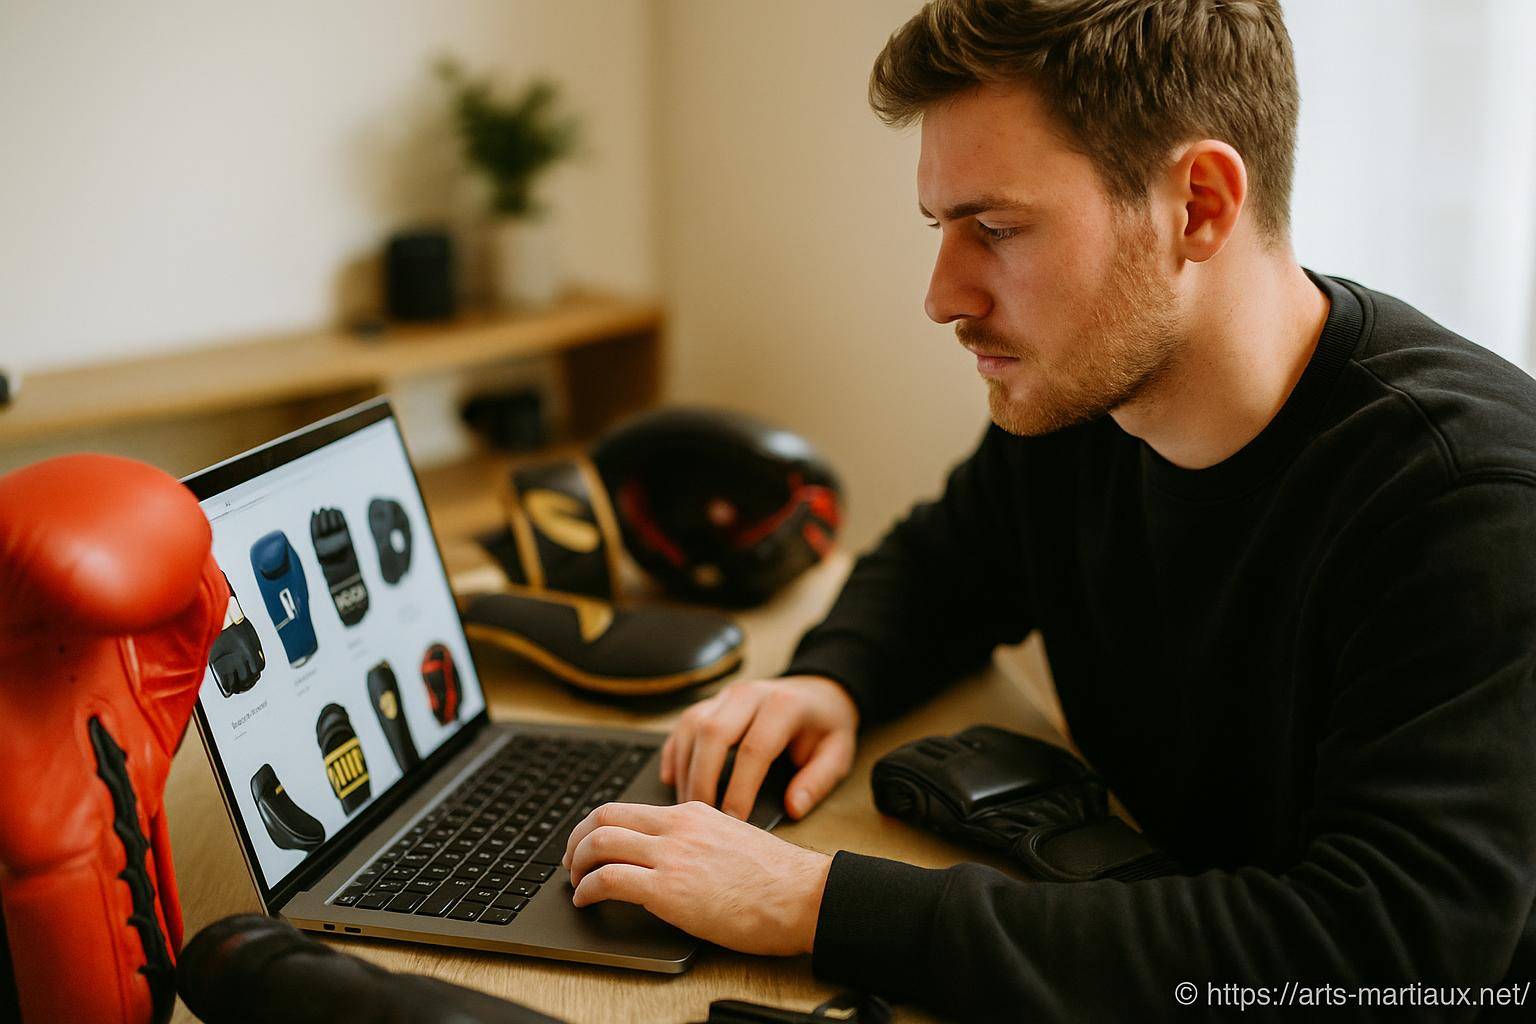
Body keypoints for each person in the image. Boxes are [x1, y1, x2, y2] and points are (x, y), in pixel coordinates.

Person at [562, 0, 1536, 1017]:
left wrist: (817, 902)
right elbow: (948, 562)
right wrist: (831, 679)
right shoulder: (1091, 402)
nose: (943, 295)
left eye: (996, 228)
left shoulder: (1469, 505)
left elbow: (1379, 956)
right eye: (943, 229)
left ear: (1198, 205)